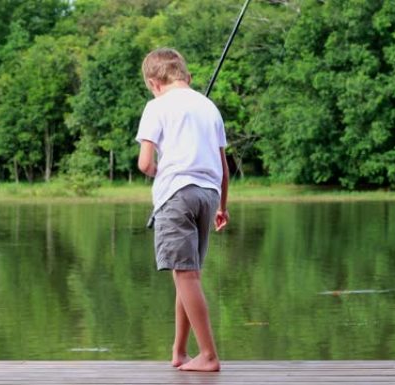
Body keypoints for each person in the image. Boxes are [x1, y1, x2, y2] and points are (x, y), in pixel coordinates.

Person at [136, 48, 229, 372]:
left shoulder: (156, 106)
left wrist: (161, 172)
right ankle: (179, 351)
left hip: (177, 196)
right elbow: (222, 165)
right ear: (185, 76)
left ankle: (209, 355)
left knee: (186, 274)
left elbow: (145, 163)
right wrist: (223, 206)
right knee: (187, 273)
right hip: (208, 195)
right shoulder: (209, 107)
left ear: (153, 82)